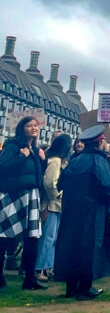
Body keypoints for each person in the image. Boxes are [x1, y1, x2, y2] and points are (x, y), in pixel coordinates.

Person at [54, 125, 110, 299]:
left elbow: (60, 184)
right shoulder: (99, 161)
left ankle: (70, 287)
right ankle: (85, 287)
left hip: (71, 211)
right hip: (92, 212)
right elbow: (106, 187)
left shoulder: (75, 160)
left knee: (71, 246)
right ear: (99, 143)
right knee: (90, 247)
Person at [0, 116, 46, 290]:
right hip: (13, 194)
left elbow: (36, 173)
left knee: (32, 238)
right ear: (22, 128)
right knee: (4, 237)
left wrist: (42, 160)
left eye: (35, 125)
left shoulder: (35, 149)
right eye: (29, 125)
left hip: (31, 194)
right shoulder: (13, 146)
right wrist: (20, 156)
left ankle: (29, 279)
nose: (34, 128)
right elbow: (2, 166)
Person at [35, 134, 72, 282]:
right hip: (52, 204)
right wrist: (58, 196)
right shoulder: (56, 161)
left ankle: (47, 266)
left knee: (52, 238)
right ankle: (40, 267)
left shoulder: (57, 160)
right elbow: (50, 183)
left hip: (55, 205)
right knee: (48, 237)